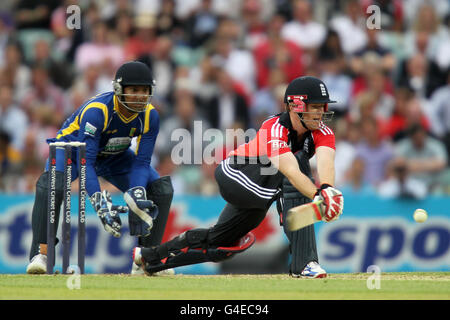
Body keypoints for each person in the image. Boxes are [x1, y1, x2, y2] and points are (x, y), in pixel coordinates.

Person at [132, 76, 344, 278]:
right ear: (294, 106)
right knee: (295, 172)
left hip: (262, 189)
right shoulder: (274, 128)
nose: (320, 113)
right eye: (314, 107)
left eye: (322, 107)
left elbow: (326, 160)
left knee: (223, 245)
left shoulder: (322, 131)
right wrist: (318, 195)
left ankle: (149, 259)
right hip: (236, 174)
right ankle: (305, 263)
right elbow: (289, 169)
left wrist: (328, 190)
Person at [26, 61, 174, 274]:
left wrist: (136, 191)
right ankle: (41, 254)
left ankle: (147, 260)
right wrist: (97, 200)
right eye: (133, 90)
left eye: (144, 90)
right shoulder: (98, 111)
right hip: (72, 151)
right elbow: (87, 162)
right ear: (119, 89)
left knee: (161, 189)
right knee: (52, 186)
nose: (140, 96)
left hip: (115, 155)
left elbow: (142, 162)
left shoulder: (151, 115)